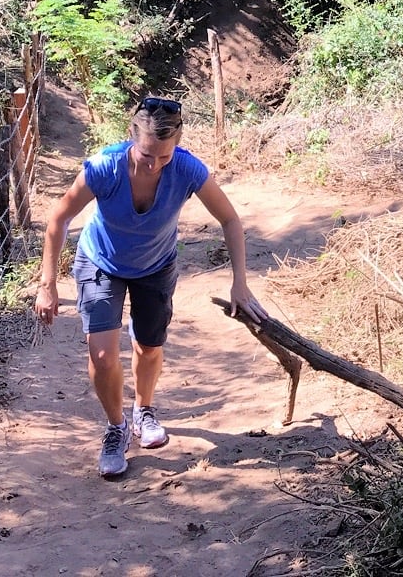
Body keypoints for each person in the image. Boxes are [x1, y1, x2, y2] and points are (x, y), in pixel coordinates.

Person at [33, 96, 267, 477]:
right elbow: (58, 219)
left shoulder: (188, 169)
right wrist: (47, 285)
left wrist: (240, 283)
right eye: (146, 155)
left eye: (164, 157)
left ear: (177, 145)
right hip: (101, 263)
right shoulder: (104, 167)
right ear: (132, 136)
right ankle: (116, 427)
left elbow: (230, 220)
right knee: (103, 356)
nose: (155, 164)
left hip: (155, 266)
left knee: (148, 346)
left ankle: (144, 410)